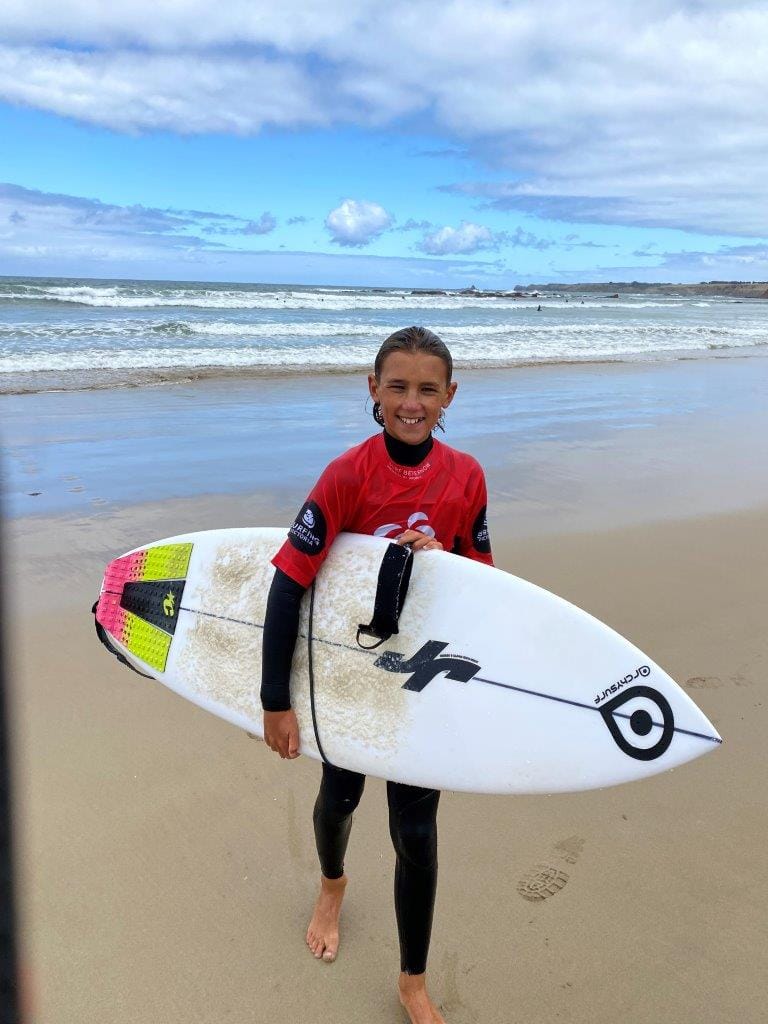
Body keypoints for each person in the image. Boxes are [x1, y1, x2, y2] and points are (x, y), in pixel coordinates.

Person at [260, 326, 493, 1024]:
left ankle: (412, 981)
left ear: (450, 396)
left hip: (419, 676)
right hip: (350, 674)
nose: (411, 402)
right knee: (338, 801)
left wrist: (441, 561)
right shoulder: (347, 475)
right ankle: (332, 883)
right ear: (373, 389)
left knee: (416, 834)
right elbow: (288, 583)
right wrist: (275, 699)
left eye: (427, 389)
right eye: (398, 386)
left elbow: (483, 584)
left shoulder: (467, 477)